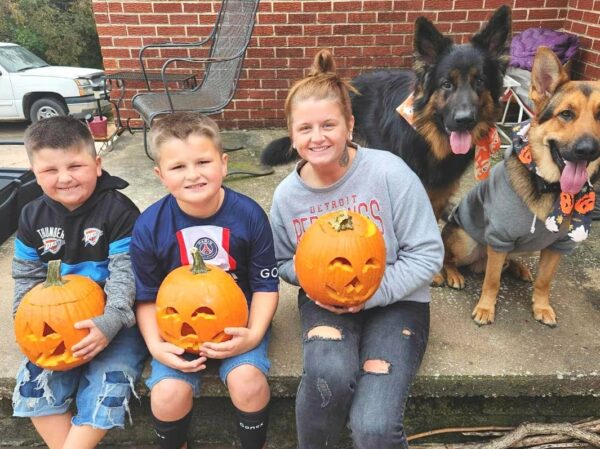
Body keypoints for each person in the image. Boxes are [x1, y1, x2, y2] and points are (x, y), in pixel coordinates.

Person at [269, 49, 444, 449]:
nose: (318, 137)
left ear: (350, 124)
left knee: (374, 426)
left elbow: (427, 253)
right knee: (327, 376)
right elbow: (282, 260)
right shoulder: (287, 197)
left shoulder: (389, 173)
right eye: (306, 128)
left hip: (397, 298)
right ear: (292, 135)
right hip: (325, 299)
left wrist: (372, 293)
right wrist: (317, 279)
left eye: (329, 124)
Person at [131, 112, 279, 449]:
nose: (193, 174)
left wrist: (253, 334)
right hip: (177, 330)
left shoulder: (249, 215)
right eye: (178, 167)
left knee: (248, 382)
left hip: (238, 324)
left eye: (203, 161)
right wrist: (156, 346)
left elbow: (266, 286)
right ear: (160, 175)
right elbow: (146, 296)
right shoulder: (150, 226)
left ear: (224, 164)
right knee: (167, 394)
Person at [11, 116, 148, 449]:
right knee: (33, 388)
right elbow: (26, 278)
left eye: (76, 165)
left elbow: (125, 275)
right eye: (50, 171)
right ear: (34, 174)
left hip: (116, 322)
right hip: (56, 324)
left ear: (97, 164)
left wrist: (110, 322)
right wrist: (25, 320)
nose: (65, 178)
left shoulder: (119, 211)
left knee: (109, 385)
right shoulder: (31, 216)